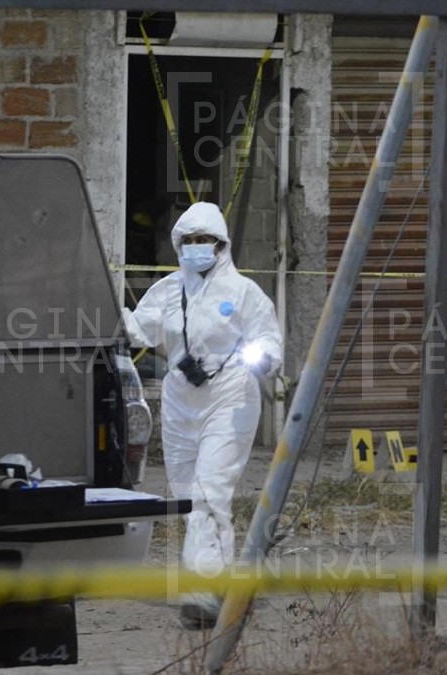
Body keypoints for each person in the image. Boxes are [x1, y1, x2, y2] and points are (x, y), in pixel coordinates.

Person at [122, 202, 283, 629]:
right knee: (190, 497)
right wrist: (106, 307)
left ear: (220, 244)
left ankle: (201, 591)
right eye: (188, 241)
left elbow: (267, 338)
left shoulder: (244, 292)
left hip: (230, 395)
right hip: (180, 399)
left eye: (204, 241)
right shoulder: (169, 290)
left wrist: (264, 358)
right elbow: (140, 327)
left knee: (211, 490)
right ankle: (212, 590)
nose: (196, 248)